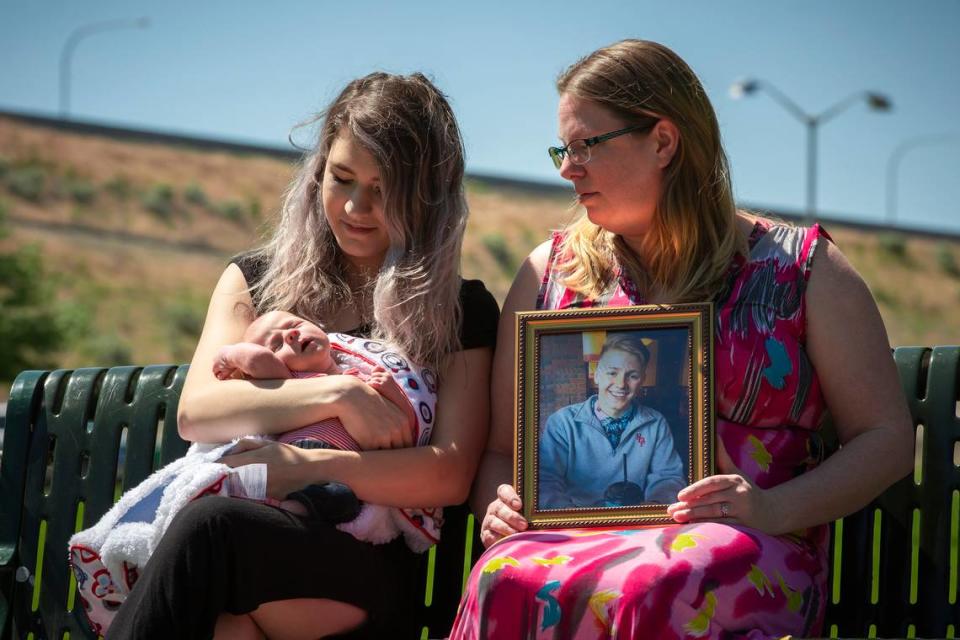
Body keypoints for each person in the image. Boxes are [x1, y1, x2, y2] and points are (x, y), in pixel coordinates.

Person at [452, 40, 913, 639]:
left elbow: (886, 439)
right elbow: (499, 454)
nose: (567, 169)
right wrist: (500, 506)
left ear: (664, 142)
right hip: (575, 546)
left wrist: (773, 508)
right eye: (562, 150)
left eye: (585, 145)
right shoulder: (550, 274)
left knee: (658, 582)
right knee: (503, 574)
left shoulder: (805, 270)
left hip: (744, 550)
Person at [106, 71, 499, 640]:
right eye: (341, 179)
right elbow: (200, 411)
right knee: (226, 624)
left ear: (428, 194)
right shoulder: (255, 280)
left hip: (361, 576)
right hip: (247, 561)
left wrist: (306, 467)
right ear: (318, 173)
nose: (357, 207)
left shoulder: (462, 309)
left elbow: (448, 473)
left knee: (212, 528)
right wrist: (340, 394)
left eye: (384, 188)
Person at [539, 332, 685, 509]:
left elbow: (668, 477)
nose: (621, 384)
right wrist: (574, 519)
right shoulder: (562, 422)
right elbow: (546, 481)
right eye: (612, 373)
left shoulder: (656, 423)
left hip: (637, 520)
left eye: (632, 375)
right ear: (597, 374)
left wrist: (654, 506)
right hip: (576, 523)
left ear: (642, 380)